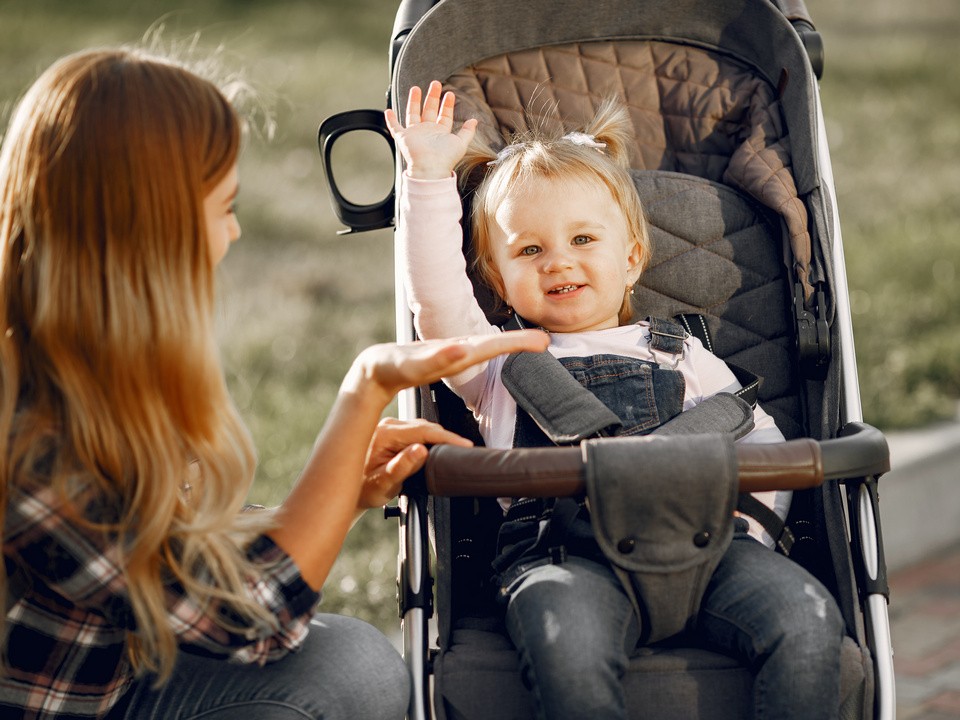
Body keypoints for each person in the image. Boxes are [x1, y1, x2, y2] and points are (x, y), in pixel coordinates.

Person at [0, 49, 550, 720]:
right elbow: (255, 622)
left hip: (118, 668)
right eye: (223, 207)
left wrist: (344, 489)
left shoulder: (92, 362)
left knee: (357, 665)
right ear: (148, 227)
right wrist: (364, 389)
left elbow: (172, 558)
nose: (233, 232)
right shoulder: (33, 439)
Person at [385, 80, 846, 720]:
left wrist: (749, 530)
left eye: (582, 241)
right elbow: (435, 304)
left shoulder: (679, 352)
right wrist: (428, 178)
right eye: (529, 249)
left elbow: (756, 437)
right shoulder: (494, 363)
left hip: (710, 546)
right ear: (498, 280)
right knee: (565, 648)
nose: (556, 263)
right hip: (566, 557)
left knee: (808, 618)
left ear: (631, 259)